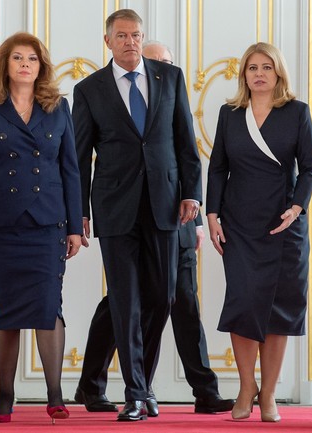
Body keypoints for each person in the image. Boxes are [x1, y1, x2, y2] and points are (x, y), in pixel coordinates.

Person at [73, 40, 234, 417]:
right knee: (123, 303)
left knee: (174, 298)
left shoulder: (170, 83)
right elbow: (82, 156)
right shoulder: (98, 90)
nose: (158, 65)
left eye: (165, 61)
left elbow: (184, 146)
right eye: (154, 60)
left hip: (174, 214)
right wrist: (79, 210)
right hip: (122, 211)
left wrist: (196, 210)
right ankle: (122, 388)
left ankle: (190, 389)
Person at [0, 32, 82, 424]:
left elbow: (71, 169)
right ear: (5, 64)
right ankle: (5, 396)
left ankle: (55, 395)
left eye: (31, 58)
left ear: (41, 65)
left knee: (49, 306)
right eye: (17, 58)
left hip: (48, 223)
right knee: (6, 310)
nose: (25, 64)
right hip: (1, 223)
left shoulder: (58, 106)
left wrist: (75, 225)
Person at [206, 42, 312, 423]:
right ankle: (245, 386)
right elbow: (218, 167)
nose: (259, 74)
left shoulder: (297, 112)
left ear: (278, 72)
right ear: (244, 75)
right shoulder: (229, 114)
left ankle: (268, 393)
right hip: (239, 224)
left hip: (283, 223)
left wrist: (297, 207)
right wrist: (212, 213)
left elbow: (310, 168)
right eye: (252, 68)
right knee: (243, 304)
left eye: (267, 67)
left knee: (277, 310)